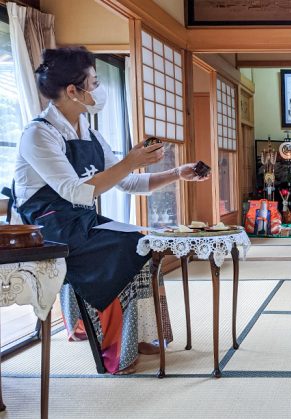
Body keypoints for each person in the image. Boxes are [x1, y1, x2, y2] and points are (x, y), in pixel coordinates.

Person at [11, 47, 209, 374]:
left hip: (82, 221)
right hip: (49, 229)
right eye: (95, 81)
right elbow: (75, 192)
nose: (99, 89)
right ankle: (114, 348)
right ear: (73, 91)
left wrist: (177, 173)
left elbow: (128, 183)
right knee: (125, 247)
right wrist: (129, 162)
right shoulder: (39, 134)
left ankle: (142, 333)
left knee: (143, 241)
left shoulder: (90, 133)